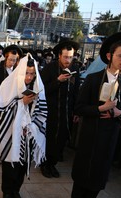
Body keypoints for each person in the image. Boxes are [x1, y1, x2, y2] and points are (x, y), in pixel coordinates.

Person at [70, 32, 121, 198]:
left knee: (102, 168)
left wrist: (119, 113)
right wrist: (100, 109)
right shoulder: (93, 79)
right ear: (109, 56)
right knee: (86, 165)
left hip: (111, 133)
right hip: (91, 132)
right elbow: (79, 107)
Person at [0, 54, 48, 198]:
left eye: (32, 73)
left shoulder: (37, 88)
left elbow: (42, 112)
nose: (29, 77)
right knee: (9, 165)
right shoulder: (7, 85)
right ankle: (7, 192)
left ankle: (16, 191)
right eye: (26, 73)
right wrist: (21, 102)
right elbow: (1, 111)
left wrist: (31, 128)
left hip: (28, 134)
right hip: (11, 134)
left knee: (23, 165)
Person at [40, 39, 81, 178]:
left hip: (66, 113)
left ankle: (52, 164)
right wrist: (58, 81)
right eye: (65, 57)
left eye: (70, 57)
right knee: (49, 139)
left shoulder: (75, 69)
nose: (68, 60)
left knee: (61, 140)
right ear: (59, 55)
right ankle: (44, 164)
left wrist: (76, 111)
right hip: (50, 112)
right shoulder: (49, 68)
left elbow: (76, 92)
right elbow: (41, 90)